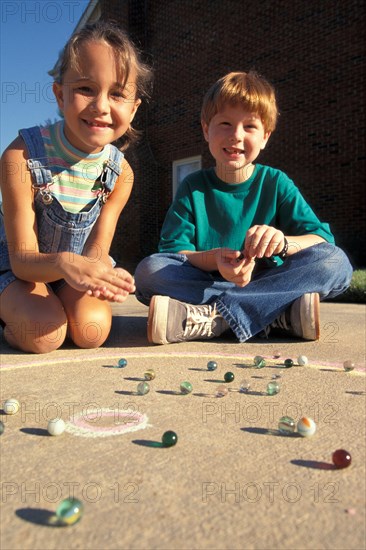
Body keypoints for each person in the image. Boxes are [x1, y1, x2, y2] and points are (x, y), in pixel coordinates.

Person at [134, 71, 353, 345]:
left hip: (269, 281)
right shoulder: (193, 186)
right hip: (209, 283)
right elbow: (175, 254)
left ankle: (213, 318)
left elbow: (322, 239)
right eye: (225, 123)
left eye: (249, 127)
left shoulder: (276, 182)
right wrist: (215, 260)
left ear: (265, 137)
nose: (236, 136)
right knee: (149, 270)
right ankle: (275, 315)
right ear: (206, 129)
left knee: (335, 262)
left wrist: (284, 243)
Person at [0, 21, 152, 353]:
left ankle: (55, 303)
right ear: (60, 95)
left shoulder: (120, 173)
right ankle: (9, 320)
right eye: (85, 89)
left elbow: (96, 251)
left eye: (117, 94)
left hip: (75, 272)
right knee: (43, 335)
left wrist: (100, 275)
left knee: (91, 331)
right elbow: (22, 260)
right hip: (22, 269)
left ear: (134, 107)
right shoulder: (20, 156)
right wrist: (64, 264)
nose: (101, 105)